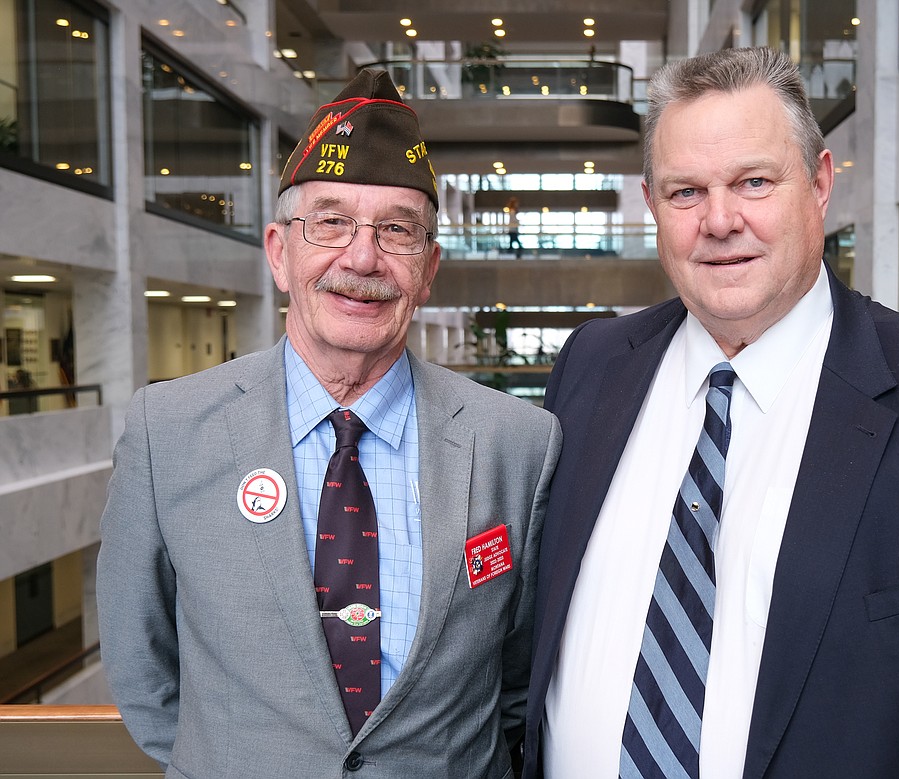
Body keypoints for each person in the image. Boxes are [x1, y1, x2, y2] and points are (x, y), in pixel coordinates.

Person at [524, 47, 899, 778]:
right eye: (686, 192)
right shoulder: (589, 367)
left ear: (820, 183)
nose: (720, 219)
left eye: (753, 181)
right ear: (651, 205)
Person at [97, 70, 560, 778]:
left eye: (397, 230)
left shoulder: (517, 443)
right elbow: (142, 671)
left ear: (428, 268)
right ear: (281, 253)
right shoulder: (170, 430)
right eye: (332, 222)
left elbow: (520, 680)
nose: (363, 257)